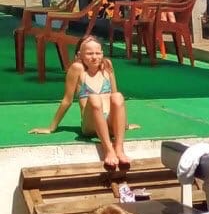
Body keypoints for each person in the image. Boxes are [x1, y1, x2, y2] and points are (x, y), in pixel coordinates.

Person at [28, 35, 137, 174]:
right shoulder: (77, 68)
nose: (94, 57)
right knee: (94, 98)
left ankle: (119, 149)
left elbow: (115, 99)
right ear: (80, 54)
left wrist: (124, 124)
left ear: (102, 53)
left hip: (109, 121)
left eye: (97, 53)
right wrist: (51, 128)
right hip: (90, 124)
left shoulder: (107, 65)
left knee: (118, 96)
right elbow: (67, 100)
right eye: (89, 53)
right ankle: (108, 150)